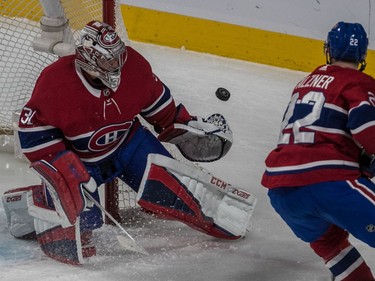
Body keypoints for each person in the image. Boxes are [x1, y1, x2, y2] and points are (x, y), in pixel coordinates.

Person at [2, 21, 256, 264]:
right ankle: (34, 202)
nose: (117, 64)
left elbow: (161, 109)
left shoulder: (133, 65)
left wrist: (185, 128)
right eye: (107, 59)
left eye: (117, 56)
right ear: (89, 58)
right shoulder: (55, 81)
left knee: (170, 192)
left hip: (128, 144)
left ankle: (207, 215)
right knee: (83, 221)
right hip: (80, 161)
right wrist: (61, 167)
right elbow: (32, 131)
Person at [261, 21, 375, 281]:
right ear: (363, 56)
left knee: (334, 249)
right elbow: (366, 128)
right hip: (329, 183)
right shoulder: (359, 82)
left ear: (329, 50)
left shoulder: (304, 82)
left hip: (282, 192)